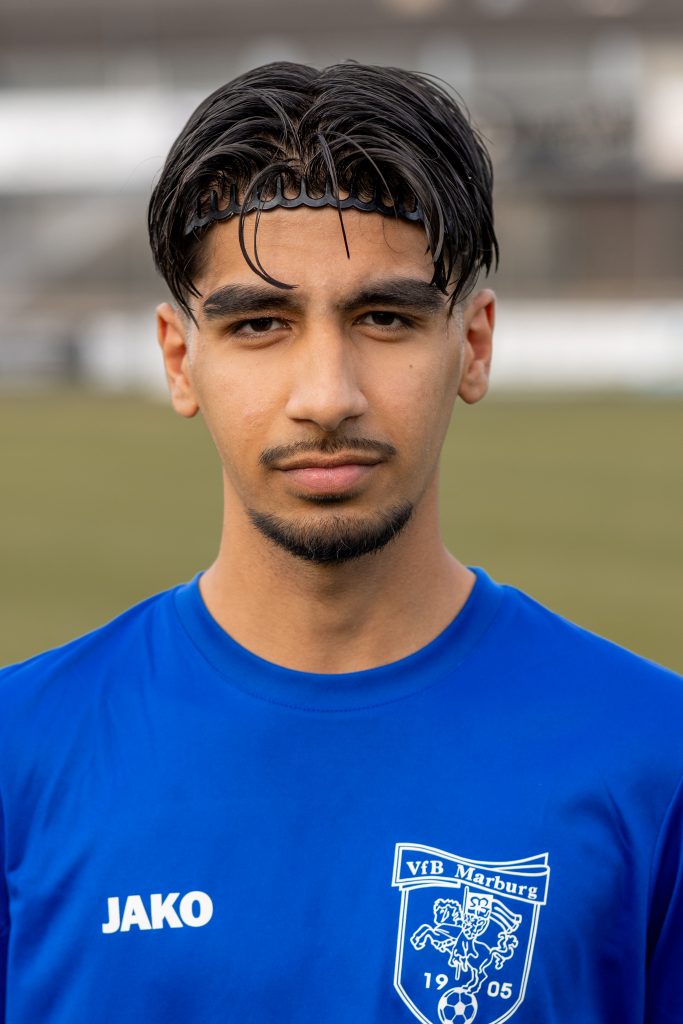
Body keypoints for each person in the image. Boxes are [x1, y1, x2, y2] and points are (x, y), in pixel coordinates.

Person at [0, 61, 681, 1024]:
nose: (327, 396)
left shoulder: (653, 758)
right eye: (260, 324)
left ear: (473, 345)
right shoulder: (20, 756)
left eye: (384, 318)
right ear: (179, 359)